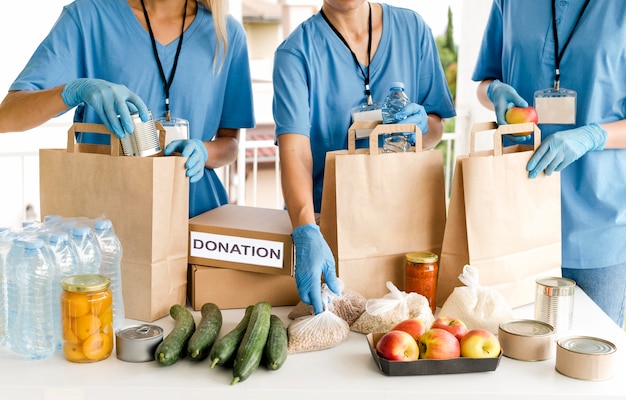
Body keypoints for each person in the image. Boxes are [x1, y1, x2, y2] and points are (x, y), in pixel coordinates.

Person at [272, 0, 456, 314]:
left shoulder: (413, 31)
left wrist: (423, 127)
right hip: (332, 235)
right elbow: (296, 152)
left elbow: (435, 128)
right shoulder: (296, 53)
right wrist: (305, 229)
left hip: (406, 227)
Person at [0, 0, 255, 218]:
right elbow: (7, 116)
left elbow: (230, 143)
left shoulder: (227, 35)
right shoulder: (88, 17)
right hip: (104, 222)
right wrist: (74, 90)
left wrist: (203, 150)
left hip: (196, 218)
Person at [473, 0, 626, 327]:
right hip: (515, 218)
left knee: (586, 362)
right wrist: (496, 91)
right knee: (508, 356)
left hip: (598, 227)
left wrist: (594, 135)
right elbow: (485, 83)